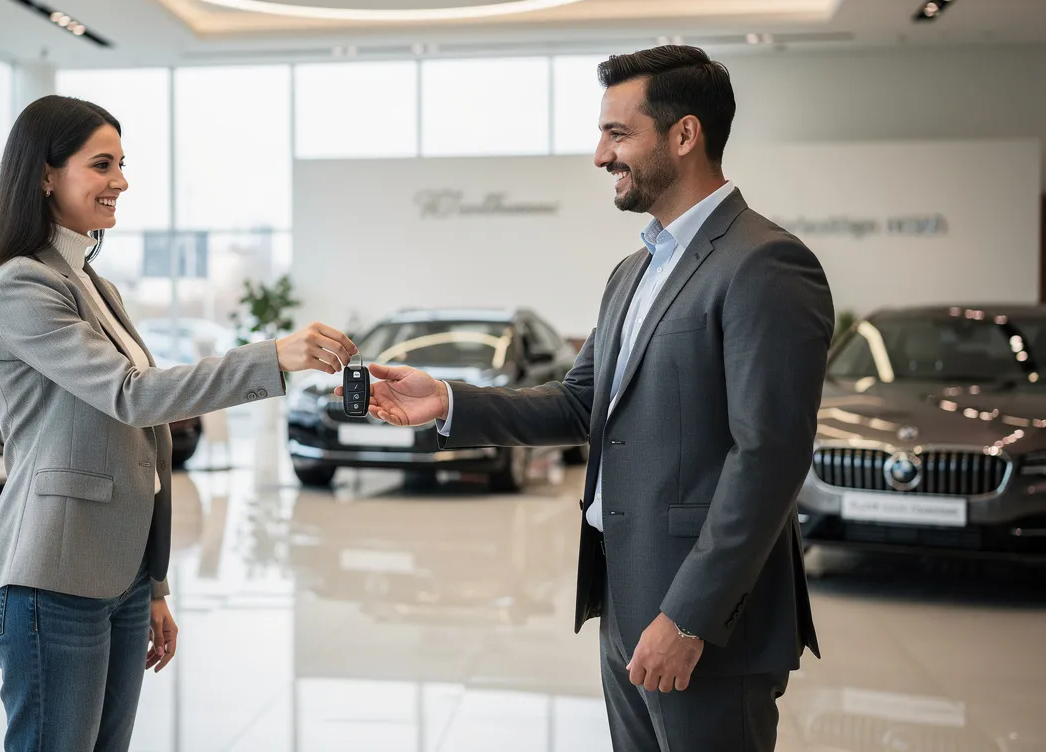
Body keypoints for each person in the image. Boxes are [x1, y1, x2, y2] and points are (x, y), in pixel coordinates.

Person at [345, 46, 831, 751]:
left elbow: (770, 458)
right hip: (626, 599)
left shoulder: (764, 263)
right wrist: (446, 400)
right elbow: (580, 407)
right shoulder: (633, 270)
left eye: (617, 133)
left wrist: (690, 616)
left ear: (684, 135)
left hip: (704, 619)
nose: (600, 155)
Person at [0, 95, 357, 752]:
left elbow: (140, 447)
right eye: (102, 164)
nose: (120, 180)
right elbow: (134, 397)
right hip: (49, 579)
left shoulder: (95, 284)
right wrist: (271, 359)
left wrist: (152, 583)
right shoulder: (21, 285)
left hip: (115, 577)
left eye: (122, 163)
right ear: (44, 174)